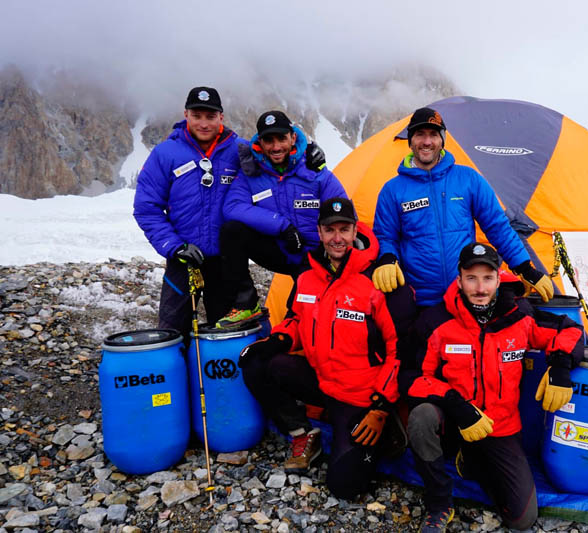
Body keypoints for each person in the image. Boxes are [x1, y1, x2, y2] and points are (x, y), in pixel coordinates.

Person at [237, 198, 415, 499]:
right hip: (322, 380)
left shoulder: (377, 278)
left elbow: (400, 350)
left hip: (360, 394)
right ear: (319, 232)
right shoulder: (308, 273)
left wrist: (381, 406)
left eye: (344, 230)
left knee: (345, 486)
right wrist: (276, 341)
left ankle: (383, 428)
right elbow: (296, 317)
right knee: (255, 363)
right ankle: (303, 433)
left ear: (355, 230)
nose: (337, 238)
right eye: (329, 230)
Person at [405, 242, 583, 532]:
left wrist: (561, 368)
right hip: (453, 419)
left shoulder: (520, 316)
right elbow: (411, 376)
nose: (480, 287)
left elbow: (570, 330)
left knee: (521, 519)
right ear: (459, 278)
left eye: (487, 278)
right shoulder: (436, 321)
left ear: (499, 279)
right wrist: (457, 407)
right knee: (421, 417)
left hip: (500, 426)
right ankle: (439, 502)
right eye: (471, 278)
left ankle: (472, 460)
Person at [372, 107, 555, 309]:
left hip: (465, 296)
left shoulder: (468, 179)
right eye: (419, 135)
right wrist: (387, 258)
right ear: (410, 140)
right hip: (419, 301)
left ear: (442, 140)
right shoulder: (393, 190)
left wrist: (525, 268)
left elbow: (497, 227)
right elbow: (385, 236)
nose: (426, 142)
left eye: (433, 135)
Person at [216, 110, 346, 328]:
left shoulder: (315, 170)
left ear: (293, 137)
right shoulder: (251, 173)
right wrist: (282, 226)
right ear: (259, 142)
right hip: (280, 250)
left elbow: (342, 212)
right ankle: (247, 304)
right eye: (268, 140)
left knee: (298, 316)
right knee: (232, 231)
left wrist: (330, 252)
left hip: (314, 257)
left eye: (281, 139)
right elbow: (232, 207)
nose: (275, 147)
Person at [133, 86, 242, 337]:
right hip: (182, 260)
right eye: (197, 115)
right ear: (186, 115)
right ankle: (177, 375)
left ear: (221, 117)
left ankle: (219, 377)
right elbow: (146, 208)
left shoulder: (239, 151)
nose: (204, 123)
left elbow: (276, 155)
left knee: (227, 335)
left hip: (225, 262)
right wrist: (175, 246)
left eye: (210, 116)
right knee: (172, 334)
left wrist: (308, 155)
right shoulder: (165, 154)